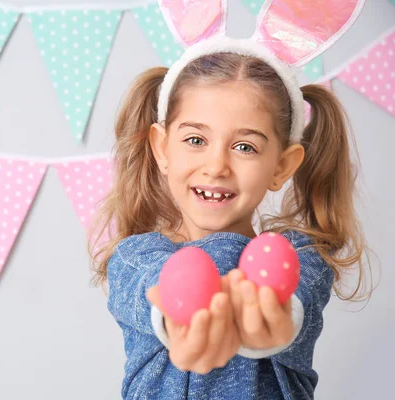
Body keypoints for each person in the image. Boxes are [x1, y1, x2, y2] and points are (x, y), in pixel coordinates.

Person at [88, 35, 372, 399]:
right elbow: (154, 288)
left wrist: (277, 320)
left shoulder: (303, 257)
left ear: (281, 166)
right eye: (195, 140)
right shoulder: (134, 258)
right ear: (161, 148)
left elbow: (300, 298)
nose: (216, 166)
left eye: (244, 147)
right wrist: (178, 317)